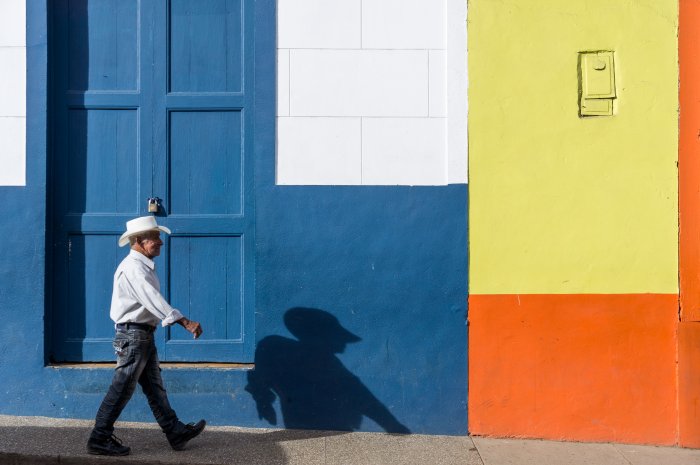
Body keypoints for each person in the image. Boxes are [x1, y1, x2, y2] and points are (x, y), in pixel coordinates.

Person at [87, 216, 206, 456]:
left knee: (154, 388)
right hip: (133, 337)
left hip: (142, 335)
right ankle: (99, 438)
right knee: (121, 388)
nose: (161, 242)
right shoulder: (133, 268)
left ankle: (175, 431)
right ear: (139, 241)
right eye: (155, 237)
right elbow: (152, 299)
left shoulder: (141, 266)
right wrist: (184, 321)